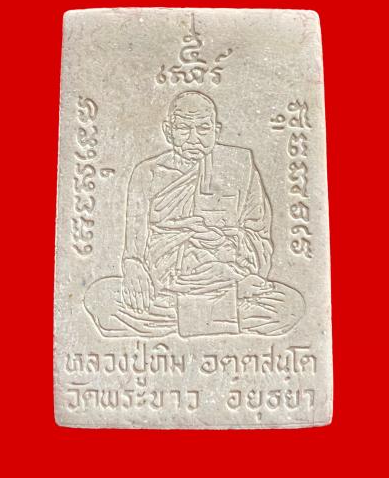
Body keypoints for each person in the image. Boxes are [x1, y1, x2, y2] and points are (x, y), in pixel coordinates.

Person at [85, 91, 304, 337]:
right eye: (183, 128)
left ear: (216, 131)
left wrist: (221, 242)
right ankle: (216, 316)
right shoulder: (148, 173)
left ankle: (180, 319)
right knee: (100, 297)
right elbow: (134, 248)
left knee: (290, 307)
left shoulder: (239, 166)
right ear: (168, 131)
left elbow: (259, 237)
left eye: (203, 129)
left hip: (227, 277)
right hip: (166, 283)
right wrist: (134, 266)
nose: (193, 138)